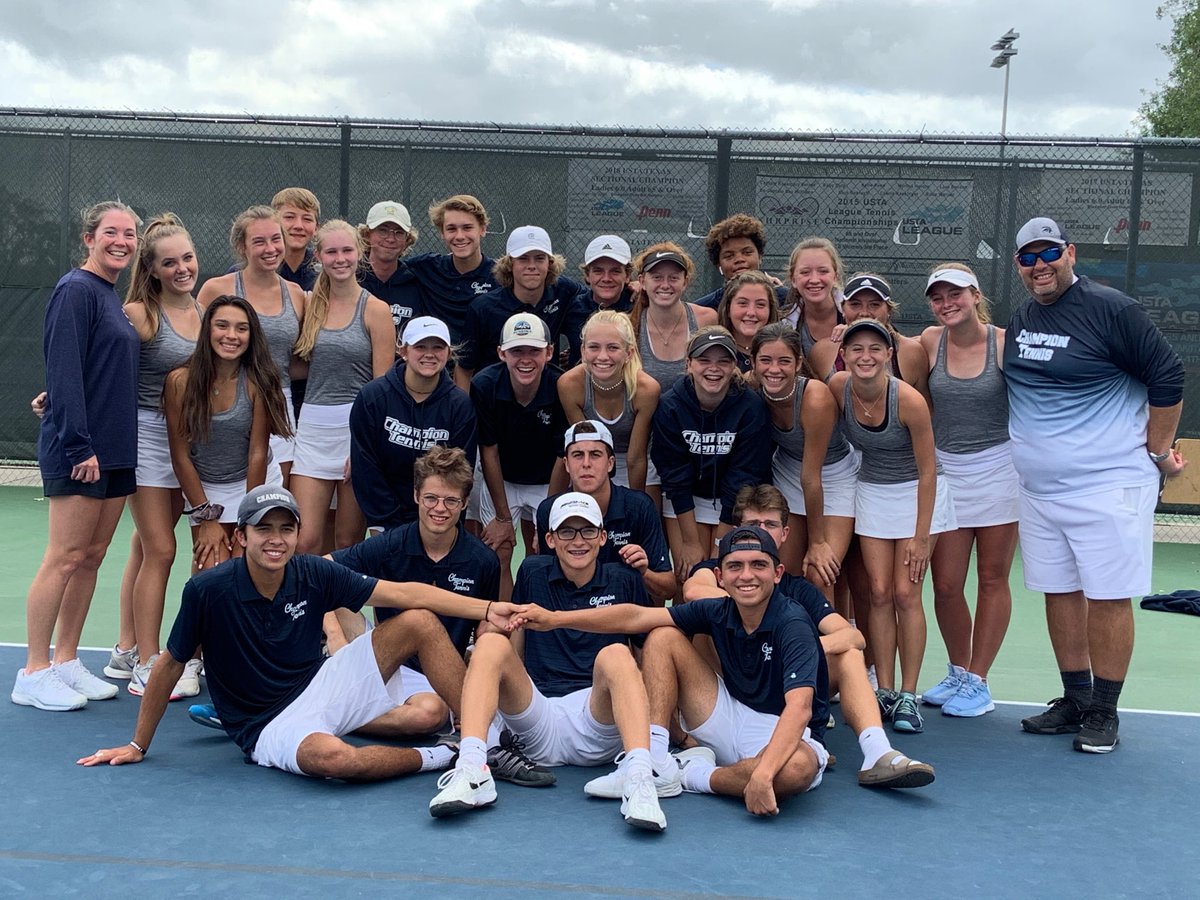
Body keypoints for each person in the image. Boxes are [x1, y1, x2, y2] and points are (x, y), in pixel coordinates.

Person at [77, 486, 522, 779]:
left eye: (285, 529)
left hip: (321, 685)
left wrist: (488, 608)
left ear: (296, 535)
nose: (276, 539)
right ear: (242, 536)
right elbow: (170, 665)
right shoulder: (207, 591)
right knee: (334, 759)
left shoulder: (312, 572)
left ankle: (481, 744)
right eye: (263, 529)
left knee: (418, 620)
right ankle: (443, 757)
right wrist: (138, 743)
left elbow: (405, 593)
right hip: (267, 726)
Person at [1005, 217, 1186, 753]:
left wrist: (1157, 452)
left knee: (1107, 597)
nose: (1040, 266)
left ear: (1070, 253)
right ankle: (1077, 700)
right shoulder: (1022, 318)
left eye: (1049, 253)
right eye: (1029, 257)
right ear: (1018, 265)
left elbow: (1168, 375)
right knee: (1059, 592)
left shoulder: (1112, 309)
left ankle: (1105, 710)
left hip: (1108, 487)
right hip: (1039, 493)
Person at [519, 526, 825, 817]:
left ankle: (695, 775)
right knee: (663, 635)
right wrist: (556, 619)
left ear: (777, 573)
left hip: (777, 729)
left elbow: (799, 709)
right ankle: (654, 760)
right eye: (735, 566)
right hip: (724, 712)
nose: (746, 575)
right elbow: (636, 617)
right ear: (720, 577)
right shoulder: (718, 609)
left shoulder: (793, 623)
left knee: (796, 770)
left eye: (758, 565)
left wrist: (764, 774)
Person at [428, 493, 667, 831]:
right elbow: (516, 645)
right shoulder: (532, 572)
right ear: (550, 539)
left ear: (603, 537)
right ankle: (472, 769)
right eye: (567, 532)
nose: (578, 541)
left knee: (616, 653)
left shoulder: (624, 578)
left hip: (597, 724)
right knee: (492, 643)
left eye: (587, 531)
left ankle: (640, 778)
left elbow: (643, 655)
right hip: (536, 721)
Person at [681, 486, 935, 789]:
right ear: (737, 530)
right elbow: (693, 591)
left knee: (848, 654)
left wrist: (798, 648)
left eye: (770, 525)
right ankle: (668, 749)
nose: (761, 531)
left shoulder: (798, 589)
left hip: (781, 688)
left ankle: (877, 751)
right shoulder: (720, 571)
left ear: (784, 533)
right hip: (726, 692)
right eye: (752, 524)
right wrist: (747, 598)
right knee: (677, 633)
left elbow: (853, 636)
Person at [12, 201, 141, 712]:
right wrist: (78, 445)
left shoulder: (110, 296)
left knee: (91, 557)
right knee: (64, 557)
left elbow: (97, 370)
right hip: (81, 451)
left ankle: (66, 660)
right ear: (89, 238)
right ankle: (34, 671)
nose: (121, 241)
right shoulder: (75, 290)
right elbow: (63, 369)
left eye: (129, 234)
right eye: (111, 232)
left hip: (115, 451)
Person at [829, 319, 955, 734]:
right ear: (844, 355)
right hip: (872, 493)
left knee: (905, 593)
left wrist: (921, 536)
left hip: (918, 494)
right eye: (856, 349)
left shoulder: (910, 401)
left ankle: (908, 694)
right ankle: (883, 689)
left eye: (875, 349)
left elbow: (928, 472)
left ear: (889, 355)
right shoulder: (838, 388)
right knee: (879, 593)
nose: (865, 356)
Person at [104, 214, 203, 698]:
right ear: (153, 269)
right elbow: (98, 363)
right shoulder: (139, 313)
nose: (182, 268)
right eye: (170, 262)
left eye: (187, 258)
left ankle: (124, 650)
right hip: (144, 438)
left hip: (187, 442)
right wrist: (55, 398)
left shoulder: (204, 312)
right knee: (162, 549)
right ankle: (148, 662)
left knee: (145, 547)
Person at [918, 265, 1019, 718]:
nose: (947, 303)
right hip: (947, 473)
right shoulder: (929, 342)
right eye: (938, 297)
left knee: (992, 578)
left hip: (999, 469)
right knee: (945, 584)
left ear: (976, 295)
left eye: (955, 294)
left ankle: (979, 680)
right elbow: (884, 348)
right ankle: (959, 670)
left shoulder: (1005, 344)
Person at [289, 220, 395, 554]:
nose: (340, 259)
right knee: (304, 539)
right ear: (318, 256)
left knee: (347, 542)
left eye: (347, 250)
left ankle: (340, 594)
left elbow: (382, 387)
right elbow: (301, 366)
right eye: (331, 252)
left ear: (359, 252)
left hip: (356, 430)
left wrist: (364, 444)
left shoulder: (376, 310)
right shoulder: (308, 305)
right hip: (311, 431)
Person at [651, 327, 773, 582]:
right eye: (704, 360)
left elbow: (743, 478)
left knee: (724, 578)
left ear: (734, 365)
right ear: (689, 364)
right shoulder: (670, 405)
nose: (713, 369)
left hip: (733, 502)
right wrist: (690, 542)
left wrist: (721, 544)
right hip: (686, 500)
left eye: (723, 361)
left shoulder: (751, 406)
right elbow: (674, 476)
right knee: (688, 577)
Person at [198, 206, 308, 482]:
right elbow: (196, 348)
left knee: (273, 498)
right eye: (259, 241)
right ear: (241, 247)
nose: (270, 249)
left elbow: (293, 362)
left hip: (278, 403)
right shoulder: (216, 289)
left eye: (275, 239)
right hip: (223, 406)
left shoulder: (296, 295)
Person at [751, 323, 856, 592]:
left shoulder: (815, 398)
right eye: (765, 360)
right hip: (787, 473)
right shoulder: (752, 386)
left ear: (798, 364)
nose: (774, 369)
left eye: (784, 361)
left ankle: (829, 623)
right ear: (753, 362)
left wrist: (817, 542)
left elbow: (811, 477)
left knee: (820, 575)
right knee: (782, 573)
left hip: (833, 478)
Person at [471, 312, 568, 600]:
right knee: (498, 552)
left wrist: (547, 519)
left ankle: (538, 620)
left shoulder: (561, 385)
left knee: (544, 553)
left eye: (534, 351)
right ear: (502, 353)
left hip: (547, 482)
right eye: (517, 351)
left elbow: (562, 457)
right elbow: (488, 450)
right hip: (502, 479)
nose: (525, 359)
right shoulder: (484, 385)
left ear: (549, 352)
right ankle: (503, 621)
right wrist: (502, 517)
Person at [349, 316, 477, 532]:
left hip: (438, 518)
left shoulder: (460, 406)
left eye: (438, 347)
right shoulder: (372, 397)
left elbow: (461, 473)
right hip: (385, 519)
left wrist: (436, 518)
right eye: (420, 346)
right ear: (404, 351)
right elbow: (365, 466)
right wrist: (386, 522)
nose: (429, 354)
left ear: (448, 353)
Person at [536, 421, 675, 603]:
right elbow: (548, 582)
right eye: (578, 455)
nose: (586, 464)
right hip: (571, 611)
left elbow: (668, 589)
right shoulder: (549, 511)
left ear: (610, 463)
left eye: (595, 455)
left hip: (625, 612)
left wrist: (643, 572)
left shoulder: (640, 507)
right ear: (566, 464)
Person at [459, 226, 587, 381]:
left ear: (550, 263)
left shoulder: (564, 291)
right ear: (509, 264)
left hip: (547, 392)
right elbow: (464, 369)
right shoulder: (482, 308)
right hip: (493, 393)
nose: (531, 266)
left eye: (539, 258)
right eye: (523, 258)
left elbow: (597, 297)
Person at [555, 310, 660, 493]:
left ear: (629, 353)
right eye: (594, 347)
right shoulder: (569, 384)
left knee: (646, 505)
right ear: (583, 351)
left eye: (613, 348)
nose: (602, 356)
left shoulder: (646, 389)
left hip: (639, 460)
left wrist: (636, 503)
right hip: (592, 458)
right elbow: (585, 444)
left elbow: (636, 458)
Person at [404, 194, 496, 376]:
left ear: (483, 229)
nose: (459, 236)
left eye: (467, 228)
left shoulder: (500, 277)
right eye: (451, 229)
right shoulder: (425, 267)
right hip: (433, 372)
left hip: (483, 376)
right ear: (442, 233)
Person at [808, 273, 929, 397]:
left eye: (874, 304)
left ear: (889, 310)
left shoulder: (911, 352)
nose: (864, 313)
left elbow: (924, 404)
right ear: (843, 309)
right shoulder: (822, 352)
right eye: (855, 304)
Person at [629, 243, 718, 393]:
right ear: (642, 281)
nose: (665, 285)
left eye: (673, 278)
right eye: (657, 277)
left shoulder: (706, 319)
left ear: (685, 282)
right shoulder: (629, 326)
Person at [693, 213, 790, 311]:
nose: (739, 259)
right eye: (729, 256)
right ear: (719, 264)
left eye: (747, 252)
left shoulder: (787, 300)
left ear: (760, 256)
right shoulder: (702, 309)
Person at [357, 200, 424, 342]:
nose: (391, 239)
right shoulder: (349, 278)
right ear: (367, 234)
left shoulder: (418, 283)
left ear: (407, 240)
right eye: (383, 230)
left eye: (399, 233)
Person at [780, 237, 845, 356]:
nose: (814, 280)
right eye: (805, 272)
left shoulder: (855, 316)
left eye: (823, 271)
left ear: (835, 276)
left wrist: (855, 333)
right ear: (793, 279)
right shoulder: (782, 324)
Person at [717, 270, 781, 371]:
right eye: (743, 303)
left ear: (770, 310)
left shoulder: (783, 351)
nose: (751, 313)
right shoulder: (714, 350)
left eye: (760, 304)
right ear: (728, 308)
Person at [272, 187, 321, 291]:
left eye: (307, 219)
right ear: (274, 222)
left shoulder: (326, 271)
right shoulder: (252, 271)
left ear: (316, 228)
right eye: (289, 217)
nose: (298, 226)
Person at [578, 235, 634, 314]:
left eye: (615, 271)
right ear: (587, 275)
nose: (606, 279)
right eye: (598, 271)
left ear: (627, 275)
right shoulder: (571, 309)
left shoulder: (640, 308)